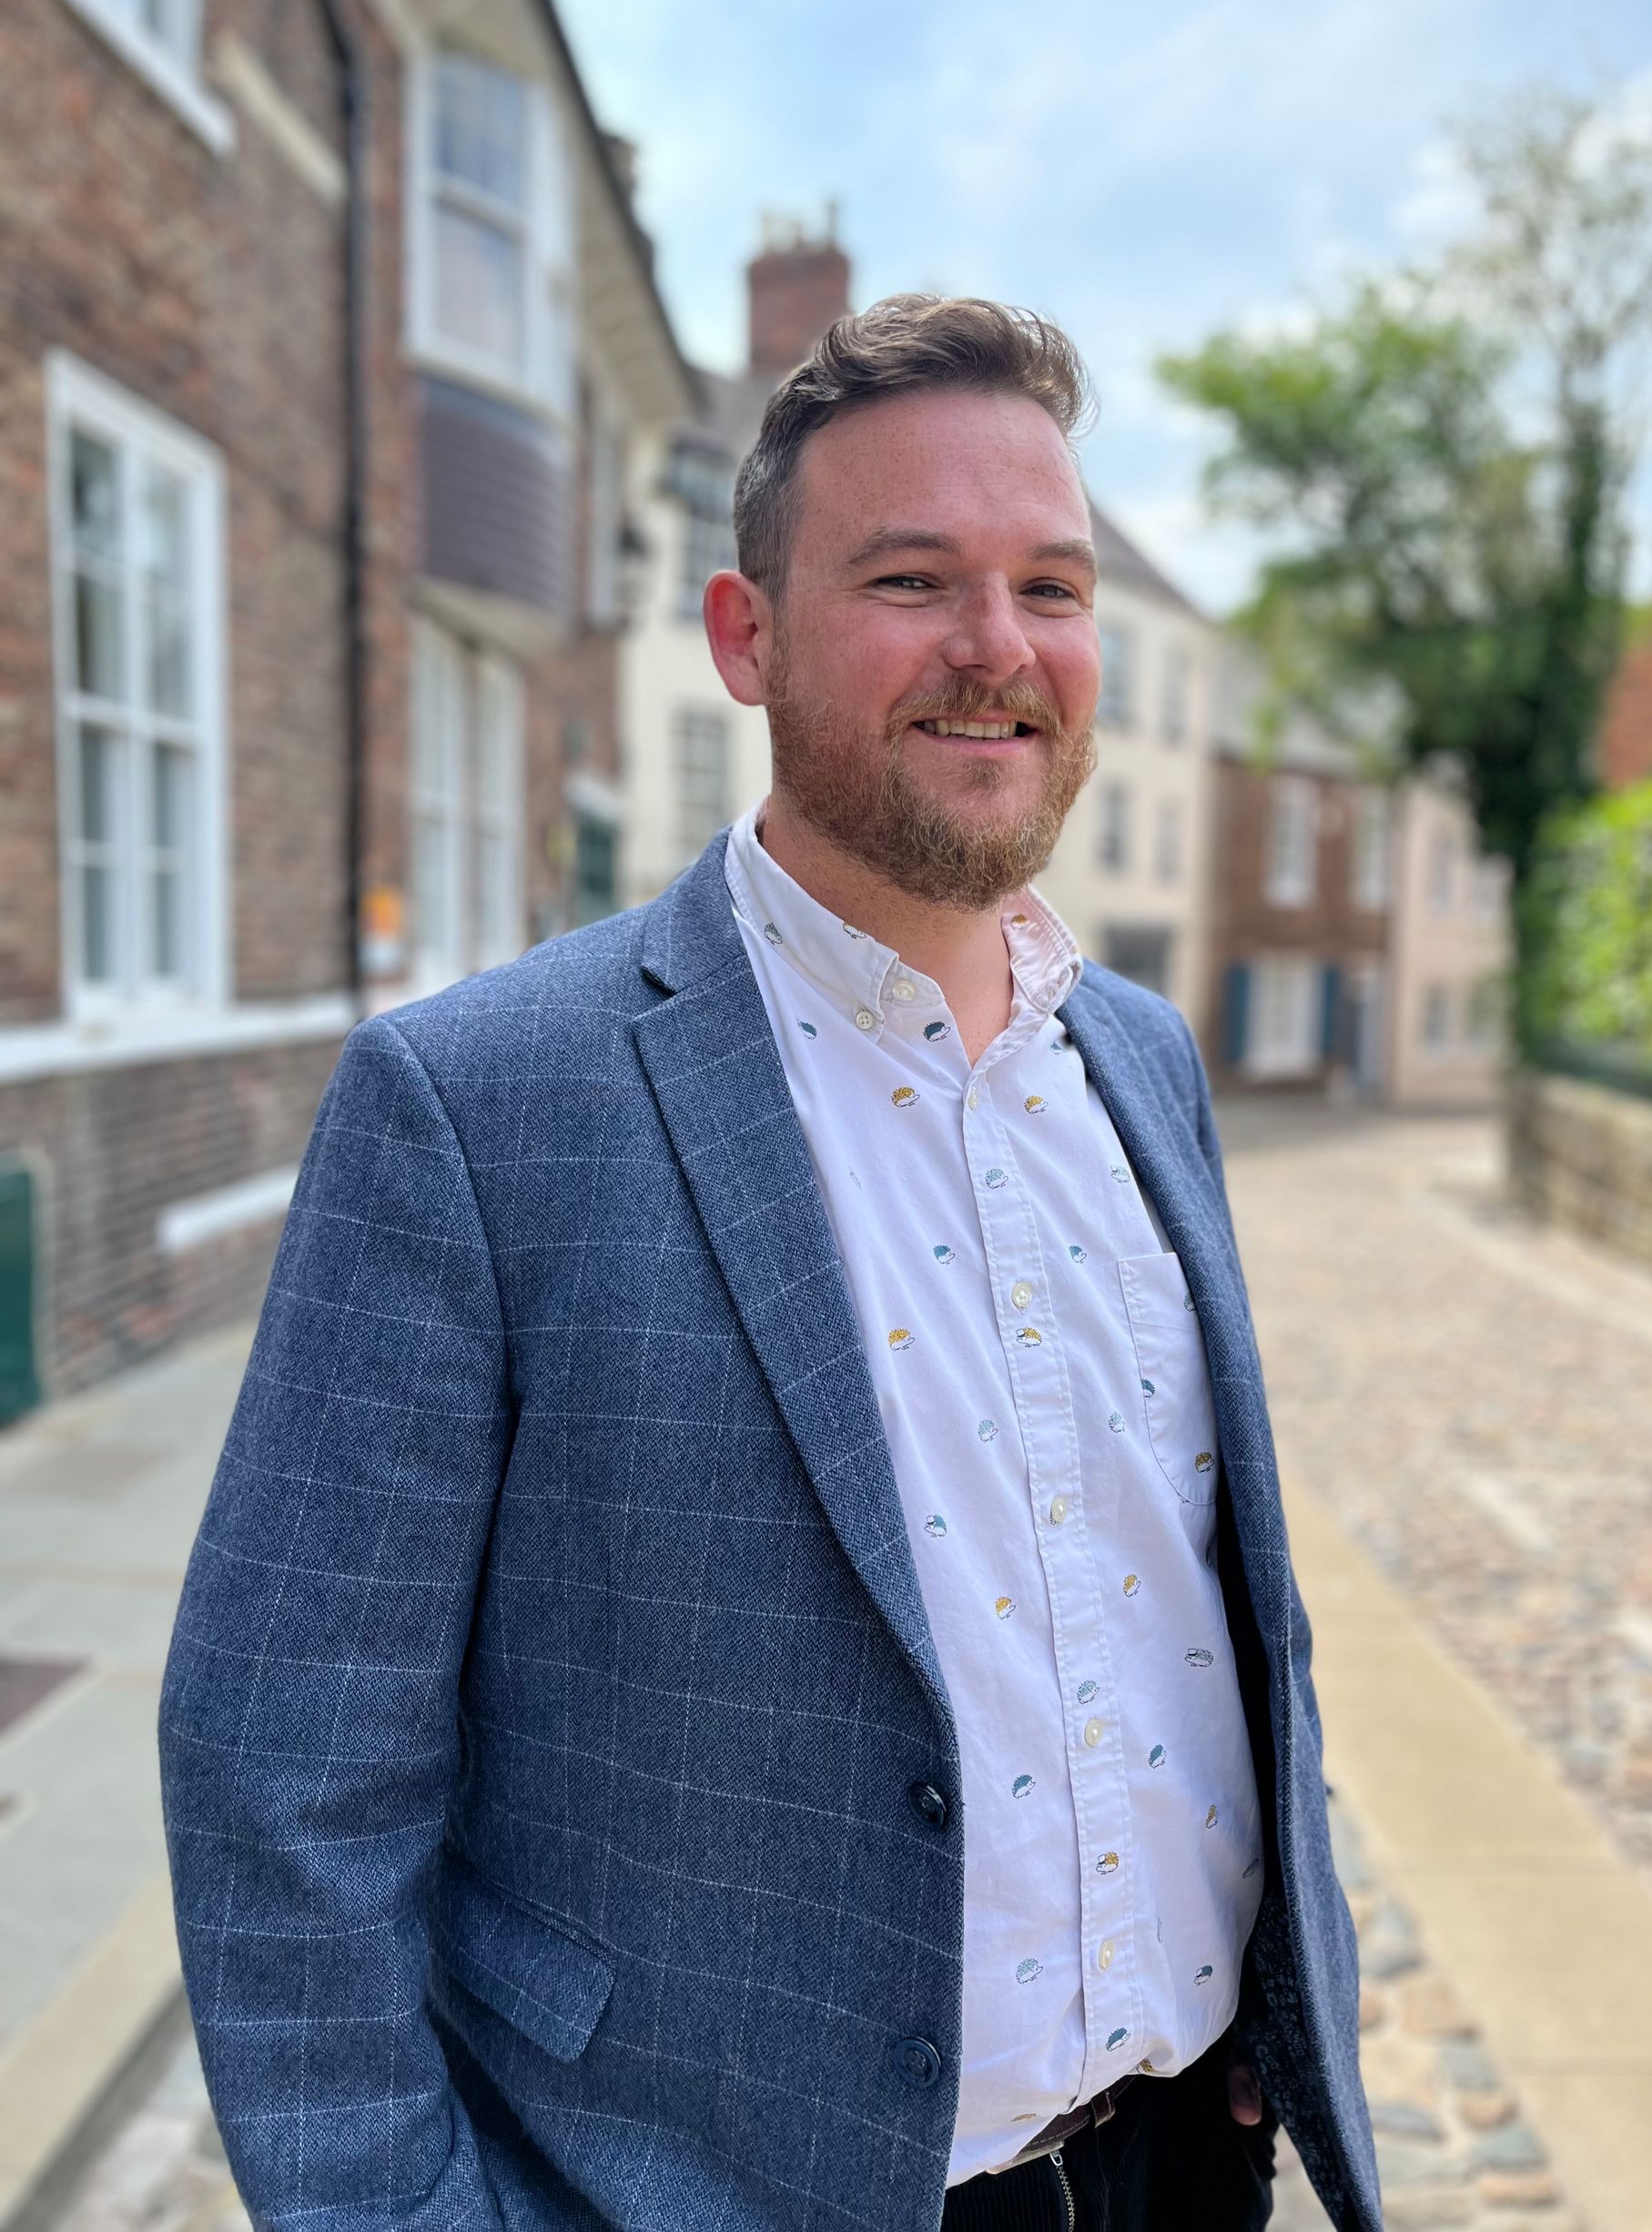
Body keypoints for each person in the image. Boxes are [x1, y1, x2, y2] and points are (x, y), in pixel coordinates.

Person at [159, 294, 1383, 2232]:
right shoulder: (474, 1105)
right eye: (913, 579)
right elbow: (282, 1777)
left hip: (1175, 2165)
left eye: (1049, 586)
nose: (1000, 649)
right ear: (749, 636)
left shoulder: (1145, 1058)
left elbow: (1194, 1592)